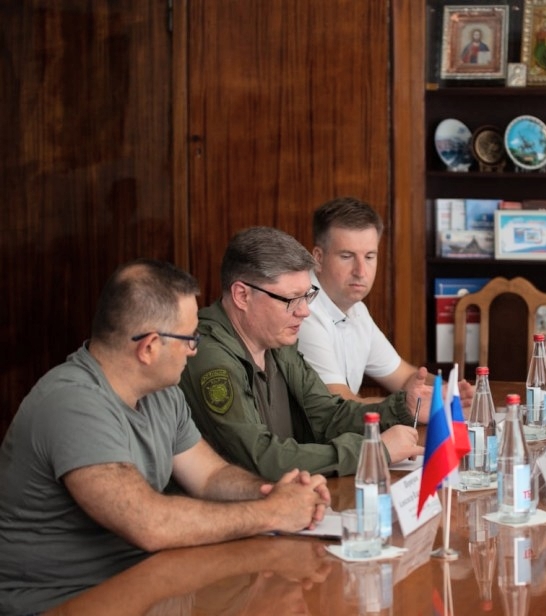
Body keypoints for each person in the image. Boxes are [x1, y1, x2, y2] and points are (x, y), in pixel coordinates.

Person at [0, 260, 330, 615]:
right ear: (150, 348)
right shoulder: (72, 403)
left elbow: (210, 477)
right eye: (190, 338)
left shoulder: (162, 392)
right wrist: (270, 513)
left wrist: (273, 492)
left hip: (144, 584)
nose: (195, 349)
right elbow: (149, 523)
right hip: (63, 603)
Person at [179, 226, 425, 481]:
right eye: (291, 299)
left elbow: (327, 416)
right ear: (242, 295)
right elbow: (262, 458)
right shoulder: (209, 357)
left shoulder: (278, 341)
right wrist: (372, 450)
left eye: (307, 295)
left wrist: (398, 409)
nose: (304, 311)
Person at [297, 197, 472, 403]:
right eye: (346, 256)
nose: (361, 271)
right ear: (318, 257)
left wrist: (453, 391)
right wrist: (417, 405)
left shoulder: (356, 309)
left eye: (370, 257)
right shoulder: (302, 309)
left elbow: (404, 377)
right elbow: (341, 406)